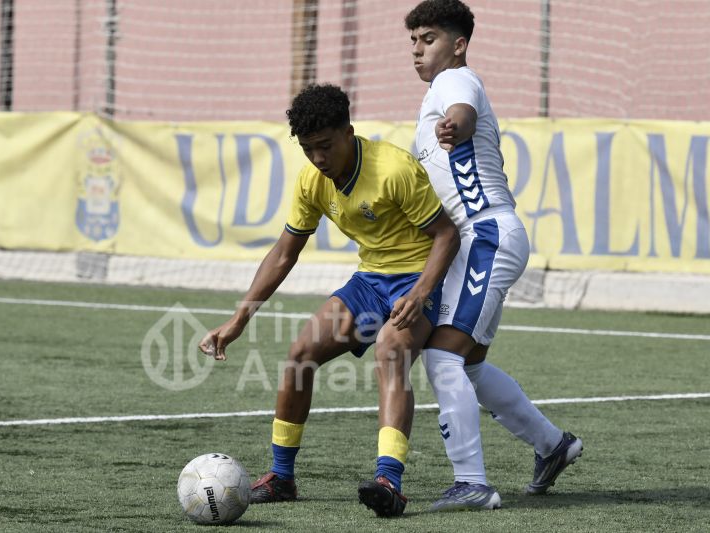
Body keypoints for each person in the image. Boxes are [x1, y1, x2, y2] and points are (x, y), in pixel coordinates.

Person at [199, 83, 460, 517]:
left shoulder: (394, 168)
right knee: (301, 352)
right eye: (307, 149)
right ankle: (282, 477)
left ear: (349, 132)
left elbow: (446, 235)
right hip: (369, 282)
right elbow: (285, 252)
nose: (318, 158)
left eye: (325, 146)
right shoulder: (312, 180)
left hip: (418, 278)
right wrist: (238, 319)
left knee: (391, 350)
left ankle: (389, 482)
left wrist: (420, 292)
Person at [404, 0, 583, 511]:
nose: (419, 50)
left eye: (430, 38)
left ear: (457, 45)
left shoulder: (454, 82)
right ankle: (553, 446)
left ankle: (472, 482)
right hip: (476, 242)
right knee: (471, 363)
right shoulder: (434, 97)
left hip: (486, 236)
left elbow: (461, 112)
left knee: (441, 355)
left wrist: (453, 126)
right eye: (414, 41)